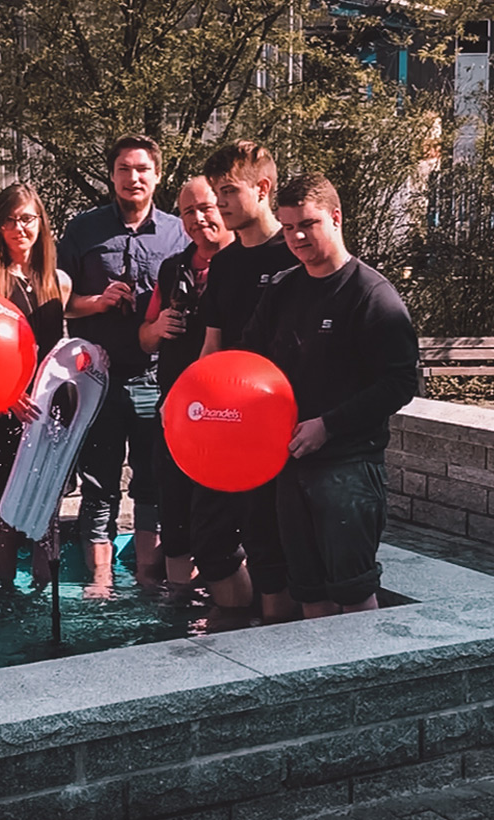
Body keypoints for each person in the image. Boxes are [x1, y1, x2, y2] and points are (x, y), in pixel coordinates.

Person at [241, 172, 418, 619]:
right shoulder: (281, 290)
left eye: (308, 223)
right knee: (308, 591)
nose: (297, 236)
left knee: (353, 593)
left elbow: (400, 384)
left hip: (349, 468)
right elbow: (247, 365)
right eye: (287, 226)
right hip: (289, 465)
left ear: (336, 218)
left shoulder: (373, 296)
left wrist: (329, 425)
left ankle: (366, 683)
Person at [59, 134, 188, 594]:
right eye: (123, 169)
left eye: (142, 169)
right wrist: (96, 302)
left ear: (157, 175)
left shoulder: (179, 232)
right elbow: (60, 303)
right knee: (99, 483)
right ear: (111, 175)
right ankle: (100, 579)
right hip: (98, 378)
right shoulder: (83, 231)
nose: (133, 178)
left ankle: (150, 577)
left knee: (153, 482)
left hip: (157, 377)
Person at [196, 140, 302, 621]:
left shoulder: (296, 253)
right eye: (216, 192)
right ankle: (237, 628)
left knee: (270, 542)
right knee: (209, 535)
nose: (219, 203)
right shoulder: (224, 263)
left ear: (262, 189)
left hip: (281, 426)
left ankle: (274, 639)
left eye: (228, 191)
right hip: (225, 422)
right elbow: (211, 348)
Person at [138, 176, 235, 603]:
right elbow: (143, 338)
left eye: (206, 208)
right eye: (187, 212)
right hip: (175, 412)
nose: (197, 220)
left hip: (230, 417)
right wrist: (156, 328)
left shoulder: (245, 265)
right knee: (174, 513)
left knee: (220, 520)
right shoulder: (172, 267)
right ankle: (179, 608)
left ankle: (227, 607)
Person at [0, 183, 72, 587]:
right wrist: (9, 397)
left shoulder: (58, 281)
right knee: (8, 516)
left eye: (27, 218)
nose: (19, 228)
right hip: (7, 412)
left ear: (41, 224)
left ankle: (46, 597)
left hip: (50, 415)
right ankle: (4, 601)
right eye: (10, 220)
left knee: (47, 517)